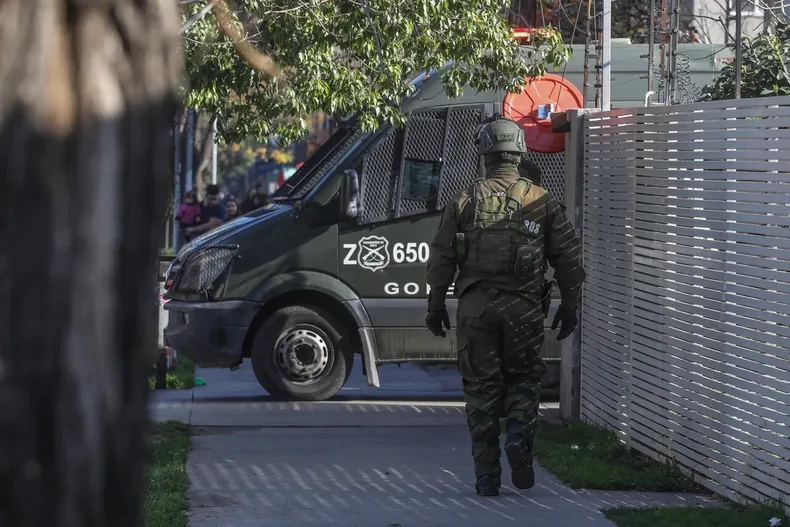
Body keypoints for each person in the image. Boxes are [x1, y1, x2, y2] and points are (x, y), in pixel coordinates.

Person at [425, 115, 586, 497]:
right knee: (524, 380)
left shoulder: (463, 201)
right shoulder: (542, 202)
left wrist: (435, 307)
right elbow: (568, 260)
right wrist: (569, 306)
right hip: (525, 308)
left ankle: (486, 477)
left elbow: (441, 261)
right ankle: (518, 438)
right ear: (520, 151)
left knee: (481, 391)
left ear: (485, 152)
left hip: (476, 310)